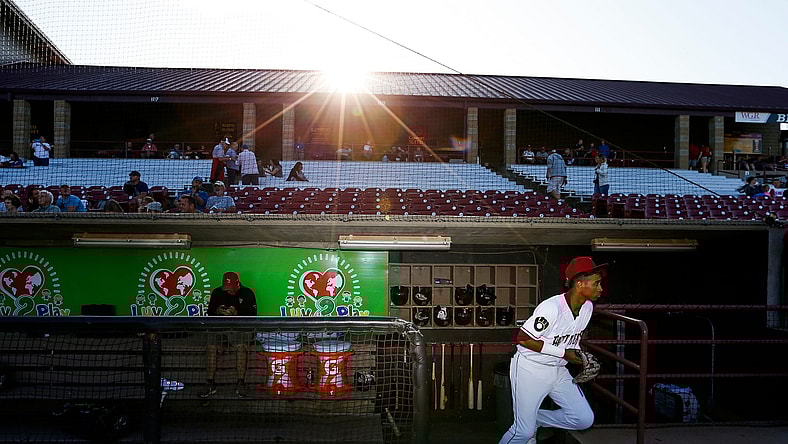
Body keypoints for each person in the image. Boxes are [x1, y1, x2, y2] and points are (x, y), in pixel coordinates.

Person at [498, 256, 604, 444]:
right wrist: (564, 354)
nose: (600, 289)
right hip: (531, 369)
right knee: (523, 432)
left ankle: (537, 419)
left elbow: (570, 340)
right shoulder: (552, 307)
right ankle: (528, 423)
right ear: (579, 284)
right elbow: (523, 339)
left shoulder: (587, 308)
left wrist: (580, 356)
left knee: (583, 419)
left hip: (558, 370)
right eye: (596, 284)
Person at [200, 272, 258, 399]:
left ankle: (241, 382)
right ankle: (209, 383)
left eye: (231, 289)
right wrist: (217, 311)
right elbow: (209, 313)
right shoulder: (217, 292)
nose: (228, 292)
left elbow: (253, 315)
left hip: (241, 329)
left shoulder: (247, 293)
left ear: (237, 284)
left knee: (241, 347)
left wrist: (237, 312)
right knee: (211, 346)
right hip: (220, 328)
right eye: (226, 288)